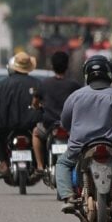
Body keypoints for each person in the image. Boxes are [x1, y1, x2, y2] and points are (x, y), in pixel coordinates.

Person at [55, 55, 112, 214]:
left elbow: (65, 122)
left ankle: (67, 197)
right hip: (111, 144)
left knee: (63, 164)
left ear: (87, 74)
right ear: (109, 73)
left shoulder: (76, 95)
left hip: (79, 145)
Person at [0, 52, 41, 177]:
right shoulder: (37, 84)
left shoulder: (2, 85)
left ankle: (3, 163)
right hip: (31, 125)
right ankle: (40, 165)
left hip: (6, 126)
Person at [32, 51, 81, 181]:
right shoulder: (74, 85)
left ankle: (40, 166)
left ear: (52, 66)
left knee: (36, 133)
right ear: (67, 66)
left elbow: (35, 103)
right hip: (70, 127)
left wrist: (38, 107)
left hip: (49, 125)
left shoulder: (44, 84)